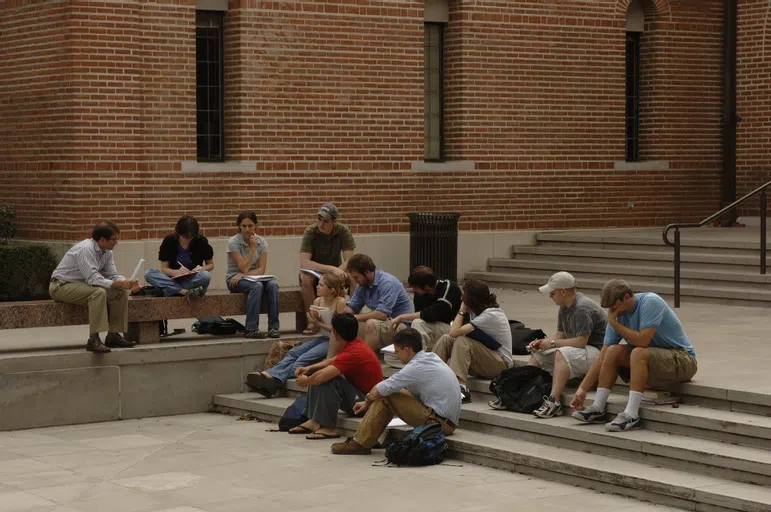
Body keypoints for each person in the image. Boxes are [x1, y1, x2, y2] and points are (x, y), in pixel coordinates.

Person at [570, 278, 697, 432]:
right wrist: (582, 389)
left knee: (638, 352)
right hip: (654, 362)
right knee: (612, 351)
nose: (612, 311)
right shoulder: (617, 313)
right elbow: (603, 355)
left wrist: (615, 324)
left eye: (615, 305)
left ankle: (631, 415)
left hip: (683, 360)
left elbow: (643, 340)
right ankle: (598, 408)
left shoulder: (650, 302)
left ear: (627, 296)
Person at [331, 327, 461, 455]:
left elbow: (381, 389)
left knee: (386, 395)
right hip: (446, 421)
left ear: (407, 350)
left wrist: (367, 401)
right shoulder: (429, 357)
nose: (396, 355)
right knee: (390, 393)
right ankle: (373, 439)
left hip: (439, 424)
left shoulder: (415, 367)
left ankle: (360, 443)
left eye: (397, 351)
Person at [244, 273, 347, 398]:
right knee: (294, 353)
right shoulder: (318, 301)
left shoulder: (340, 302)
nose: (317, 287)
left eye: (321, 285)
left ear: (331, 289)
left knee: (303, 359)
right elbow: (315, 330)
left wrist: (317, 323)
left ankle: (272, 380)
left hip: (334, 340)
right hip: (321, 338)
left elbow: (340, 331)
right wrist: (314, 322)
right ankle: (270, 377)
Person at [49, 221, 140, 353]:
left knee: (120, 292)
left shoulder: (107, 251)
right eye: (114, 239)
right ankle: (93, 340)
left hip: (82, 285)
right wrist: (119, 283)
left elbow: (112, 274)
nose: (116, 242)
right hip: (61, 286)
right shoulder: (85, 249)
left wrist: (127, 282)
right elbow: (93, 279)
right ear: (102, 239)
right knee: (98, 292)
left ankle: (113, 335)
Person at [288, 313, 383, 440]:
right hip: (360, 397)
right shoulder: (354, 344)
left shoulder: (354, 352)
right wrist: (309, 368)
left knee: (326, 379)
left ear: (336, 334)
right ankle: (313, 421)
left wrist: (306, 381)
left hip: (365, 403)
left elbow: (321, 377)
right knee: (318, 374)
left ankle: (328, 427)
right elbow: (332, 361)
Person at [527, 272, 607, 419]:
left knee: (562, 353)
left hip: (599, 353)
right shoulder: (564, 306)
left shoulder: (582, 308)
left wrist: (552, 343)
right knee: (538, 353)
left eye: (552, 293)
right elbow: (560, 335)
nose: (550, 296)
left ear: (563, 291)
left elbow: (581, 341)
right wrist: (542, 343)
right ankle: (525, 392)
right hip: (582, 350)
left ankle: (554, 402)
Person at [433, 279, 513, 404]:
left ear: (471, 299)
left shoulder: (490, 314)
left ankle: (461, 389)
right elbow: (451, 334)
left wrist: (462, 311)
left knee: (462, 341)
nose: (461, 298)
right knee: (446, 339)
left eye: (464, 295)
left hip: (501, 364)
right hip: (484, 360)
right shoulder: (477, 313)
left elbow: (454, 331)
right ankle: (431, 379)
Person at [298, 203, 357, 333]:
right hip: (315, 271)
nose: (321, 224)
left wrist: (338, 271)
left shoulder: (343, 231)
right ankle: (312, 321)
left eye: (326, 221)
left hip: (336, 272)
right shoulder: (310, 232)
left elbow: (349, 260)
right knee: (306, 279)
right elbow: (305, 262)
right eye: (319, 220)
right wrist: (331, 269)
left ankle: (351, 318)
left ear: (334, 221)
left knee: (353, 277)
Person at [226, 211, 280, 339]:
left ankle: (274, 327)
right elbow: (243, 267)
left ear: (256, 226)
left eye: (250, 226)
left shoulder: (262, 242)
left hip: (252, 277)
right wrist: (253, 248)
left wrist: (243, 275)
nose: (247, 229)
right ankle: (251, 329)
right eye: (243, 226)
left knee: (272, 285)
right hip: (234, 279)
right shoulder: (233, 242)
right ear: (239, 226)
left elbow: (261, 270)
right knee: (257, 287)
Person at [344, 254, 414, 352]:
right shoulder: (362, 284)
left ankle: (366, 361)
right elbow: (353, 306)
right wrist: (343, 317)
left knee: (371, 323)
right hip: (384, 323)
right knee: (343, 324)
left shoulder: (388, 283)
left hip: (401, 325)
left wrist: (354, 318)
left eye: (356, 277)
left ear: (367, 272)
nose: (355, 281)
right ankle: (335, 359)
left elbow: (382, 314)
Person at [390, 266, 462, 351]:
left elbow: (434, 313)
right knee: (409, 328)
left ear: (426, 287)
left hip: (453, 329)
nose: (413, 290)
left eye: (415, 287)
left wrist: (402, 317)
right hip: (433, 329)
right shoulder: (420, 295)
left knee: (418, 323)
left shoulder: (448, 287)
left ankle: (418, 358)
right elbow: (422, 315)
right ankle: (416, 354)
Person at [144, 215, 213, 299]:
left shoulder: (201, 241)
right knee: (149, 273)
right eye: (184, 237)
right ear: (179, 232)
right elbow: (164, 269)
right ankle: (184, 292)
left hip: (192, 280)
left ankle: (169, 290)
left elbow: (210, 265)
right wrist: (176, 272)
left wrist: (201, 268)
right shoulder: (169, 241)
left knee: (205, 276)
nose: (187, 240)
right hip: (174, 278)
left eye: (190, 238)